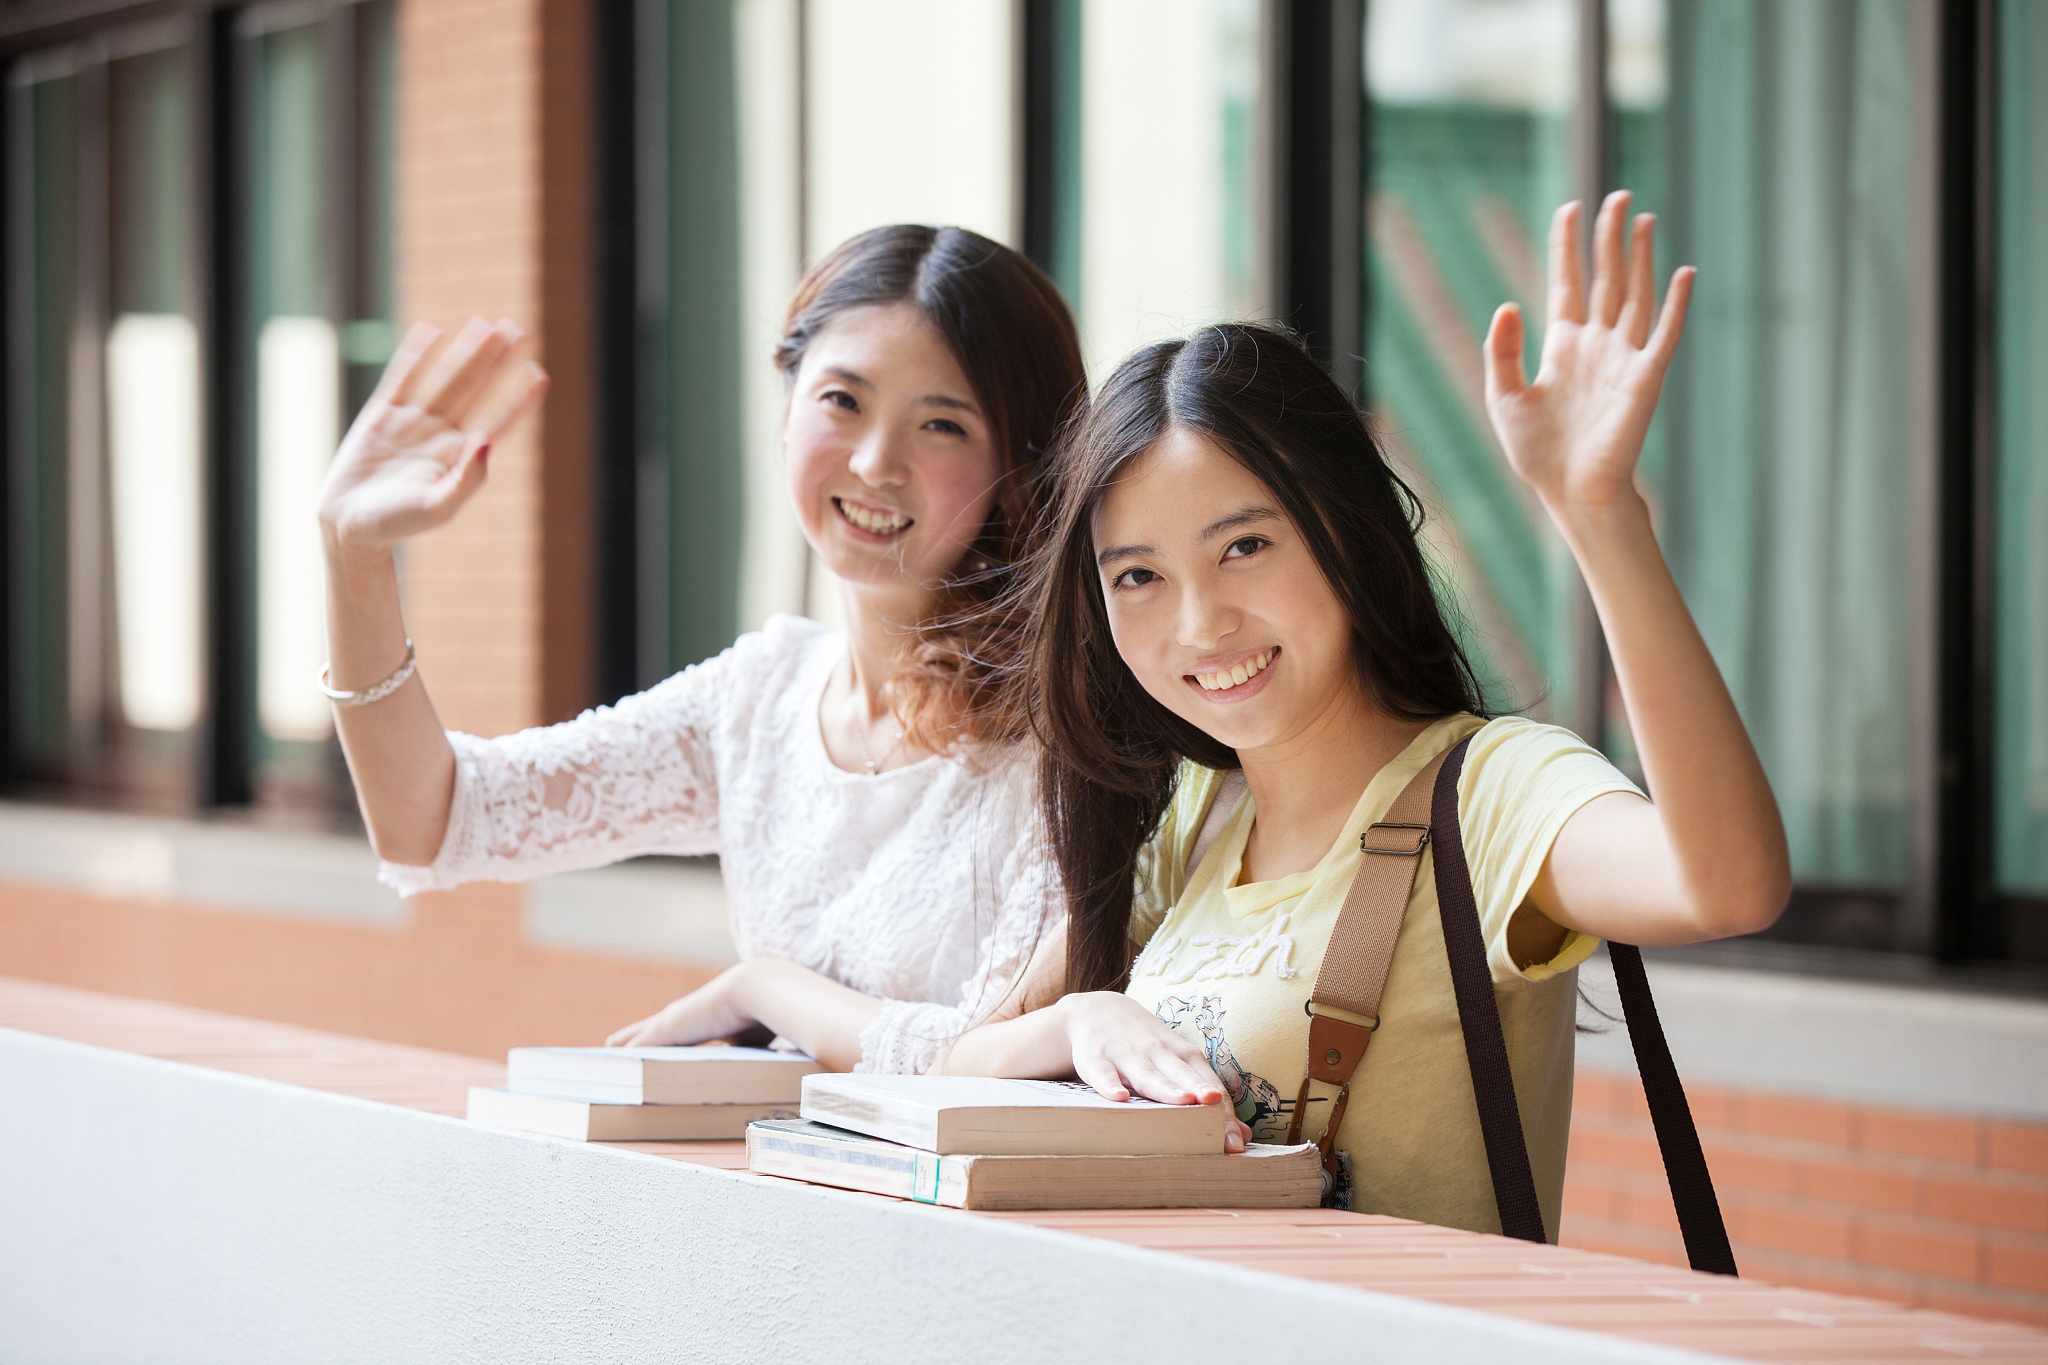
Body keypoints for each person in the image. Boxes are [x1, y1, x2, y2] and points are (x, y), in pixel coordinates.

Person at [939, 193, 1791, 1236]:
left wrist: (1598, 513)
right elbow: (959, 1063)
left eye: (1245, 547)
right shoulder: (1198, 817)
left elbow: (1726, 884)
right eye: (1139, 577)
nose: (1200, 624)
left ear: (1345, 534)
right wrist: (1081, 1018)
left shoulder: (1486, 794)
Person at [316, 225, 1084, 1074]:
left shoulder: (1061, 731)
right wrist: (354, 554)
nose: (876, 462)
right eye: (843, 400)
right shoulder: (760, 698)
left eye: (942, 423)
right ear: (785, 408)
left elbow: (994, 1059)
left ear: (1018, 461)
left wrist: (763, 986)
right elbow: (434, 819)